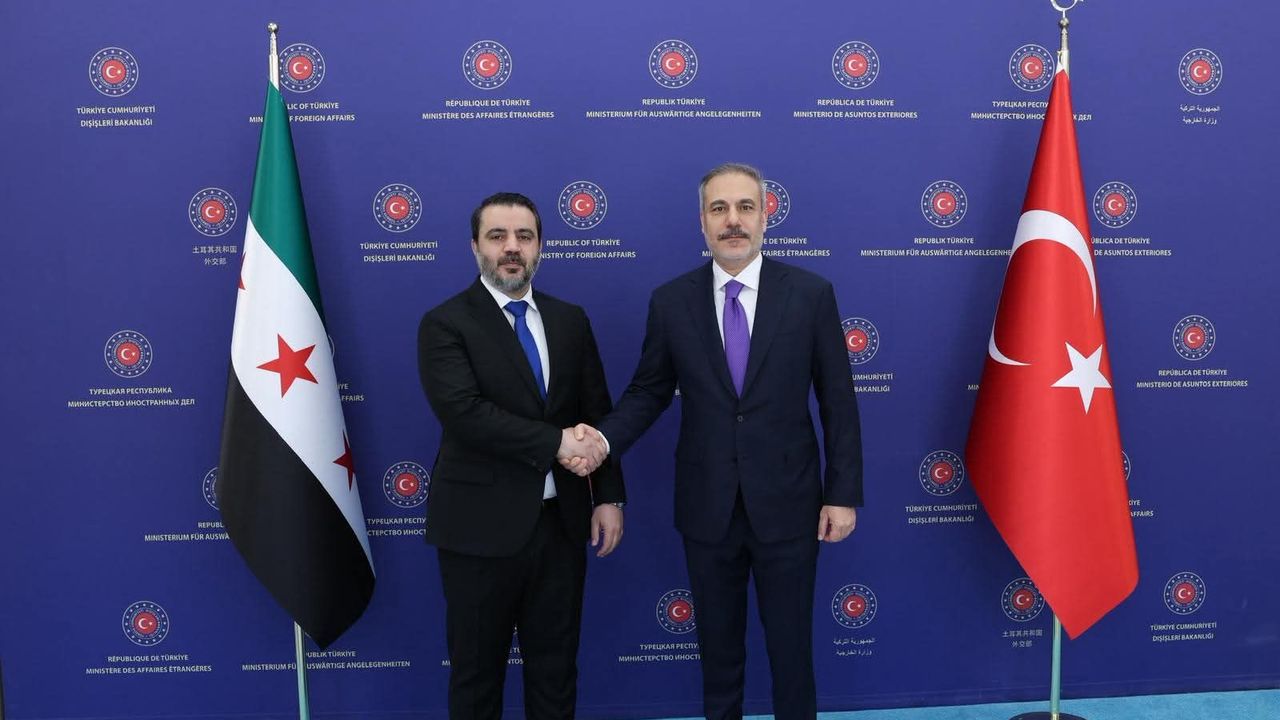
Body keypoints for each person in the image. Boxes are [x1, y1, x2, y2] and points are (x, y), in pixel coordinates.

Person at [569, 163, 862, 720]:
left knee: (792, 654)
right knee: (719, 656)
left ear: (766, 215)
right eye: (719, 209)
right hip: (708, 509)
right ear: (701, 222)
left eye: (745, 207)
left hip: (789, 505)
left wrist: (842, 494)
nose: (733, 220)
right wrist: (602, 440)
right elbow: (649, 391)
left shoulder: (810, 294)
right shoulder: (671, 302)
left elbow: (838, 401)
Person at [418, 192, 625, 719]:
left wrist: (609, 497)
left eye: (524, 237)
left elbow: (596, 412)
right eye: (498, 236)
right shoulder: (445, 323)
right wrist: (558, 443)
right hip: (477, 532)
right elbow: (464, 413)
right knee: (476, 679)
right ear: (475, 247)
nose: (512, 247)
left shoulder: (570, 320)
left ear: (539, 247)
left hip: (561, 527)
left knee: (556, 675)